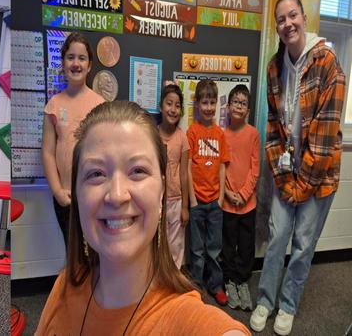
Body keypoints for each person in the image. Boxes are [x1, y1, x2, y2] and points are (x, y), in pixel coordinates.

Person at [35, 101, 250, 335]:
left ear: (161, 193)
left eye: (137, 171)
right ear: (77, 194)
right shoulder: (63, 287)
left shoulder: (186, 319)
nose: (117, 195)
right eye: (96, 174)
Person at [250, 0, 344, 335]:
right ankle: (265, 300)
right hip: (286, 171)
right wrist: (285, 179)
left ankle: (288, 305)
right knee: (277, 239)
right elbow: (273, 128)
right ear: (276, 27)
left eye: (293, 15)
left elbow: (324, 133)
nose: (288, 23)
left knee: (303, 243)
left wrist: (301, 186)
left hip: (320, 176)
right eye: (281, 19)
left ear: (304, 18)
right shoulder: (274, 66)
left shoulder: (327, 61)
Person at [40, 32, 104, 244]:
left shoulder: (100, 105)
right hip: (65, 196)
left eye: (82, 58)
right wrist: (57, 190)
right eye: (70, 57)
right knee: (72, 250)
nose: (76, 63)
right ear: (63, 62)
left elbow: (106, 152)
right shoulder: (54, 105)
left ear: (90, 65)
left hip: (94, 194)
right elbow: (48, 152)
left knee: (95, 250)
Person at [186, 79, 230, 307]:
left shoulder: (220, 134)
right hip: (197, 202)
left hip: (215, 202)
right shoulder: (192, 131)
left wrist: (221, 198)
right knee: (196, 249)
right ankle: (196, 286)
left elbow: (223, 166)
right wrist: (193, 200)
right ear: (197, 104)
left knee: (214, 249)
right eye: (205, 102)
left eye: (212, 102)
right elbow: (188, 167)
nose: (209, 107)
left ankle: (216, 285)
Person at [221, 84, 258, 312]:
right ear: (228, 106)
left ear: (247, 110)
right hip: (226, 202)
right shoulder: (221, 134)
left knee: (245, 246)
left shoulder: (253, 133)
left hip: (248, 204)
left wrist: (243, 195)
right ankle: (229, 281)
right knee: (227, 246)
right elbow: (219, 168)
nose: (239, 106)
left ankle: (242, 281)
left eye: (243, 103)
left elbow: (255, 169)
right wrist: (228, 194)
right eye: (235, 101)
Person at [157, 83, 189, 270]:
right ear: (161, 106)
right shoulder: (152, 134)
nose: (173, 109)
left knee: (176, 243)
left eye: (177, 105)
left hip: (176, 199)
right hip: (157, 199)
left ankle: (174, 276)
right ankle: (159, 275)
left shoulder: (182, 138)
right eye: (169, 104)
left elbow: (184, 173)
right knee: (158, 241)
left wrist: (185, 206)